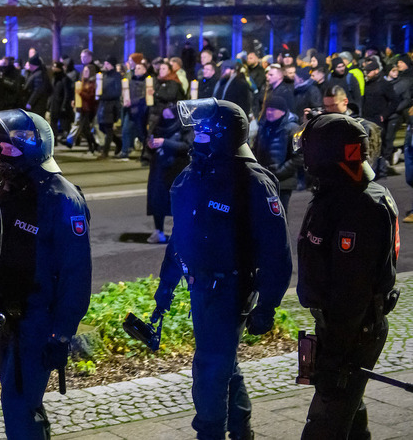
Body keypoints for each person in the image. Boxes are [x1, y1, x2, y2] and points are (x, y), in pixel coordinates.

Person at [153, 98, 292, 440]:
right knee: (223, 363)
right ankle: (241, 430)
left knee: (209, 367)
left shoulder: (253, 182)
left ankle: (210, 432)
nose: (197, 137)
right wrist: (165, 287)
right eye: (196, 130)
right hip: (201, 286)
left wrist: (268, 306)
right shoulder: (192, 176)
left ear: (225, 135)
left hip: (231, 289)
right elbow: (180, 238)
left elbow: (278, 253)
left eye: (205, 131)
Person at [0, 109, 92, 440]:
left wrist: (62, 334)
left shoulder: (62, 198)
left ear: (34, 147)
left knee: (20, 404)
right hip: (8, 321)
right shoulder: (5, 190)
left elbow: (76, 273)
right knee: (17, 402)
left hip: (39, 321)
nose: (2, 154)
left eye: (10, 147)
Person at [295, 114, 399, 439]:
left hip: (352, 330)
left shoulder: (357, 205)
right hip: (344, 325)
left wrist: (335, 354)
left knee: (325, 423)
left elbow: (351, 291)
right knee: (350, 412)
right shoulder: (343, 194)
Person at [145, 103, 194, 243]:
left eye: (169, 115)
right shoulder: (159, 124)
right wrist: (151, 145)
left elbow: (187, 146)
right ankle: (158, 231)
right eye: (164, 115)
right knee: (157, 200)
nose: (166, 117)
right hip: (159, 167)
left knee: (178, 202)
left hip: (176, 167)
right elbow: (150, 140)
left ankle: (183, 233)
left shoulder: (185, 125)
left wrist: (164, 142)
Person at [252, 95, 302, 215]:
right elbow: (255, 150)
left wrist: (279, 171)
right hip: (264, 180)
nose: (269, 112)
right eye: (268, 109)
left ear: (282, 111)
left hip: (283, 183)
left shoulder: (293, 129)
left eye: (273, 110)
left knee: (279, 216)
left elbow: (299, 157)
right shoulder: (263, 127)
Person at [97, 56, 123, 159]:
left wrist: (103, 95)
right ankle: (118, 142)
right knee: (102, 127)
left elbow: (117, 92)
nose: (105, 65)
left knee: (108, 128)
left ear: (111, 65)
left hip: (111, 106)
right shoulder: (104, 75)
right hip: (103, 105)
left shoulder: (116, 76)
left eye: (107, 64)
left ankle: (105, 152)